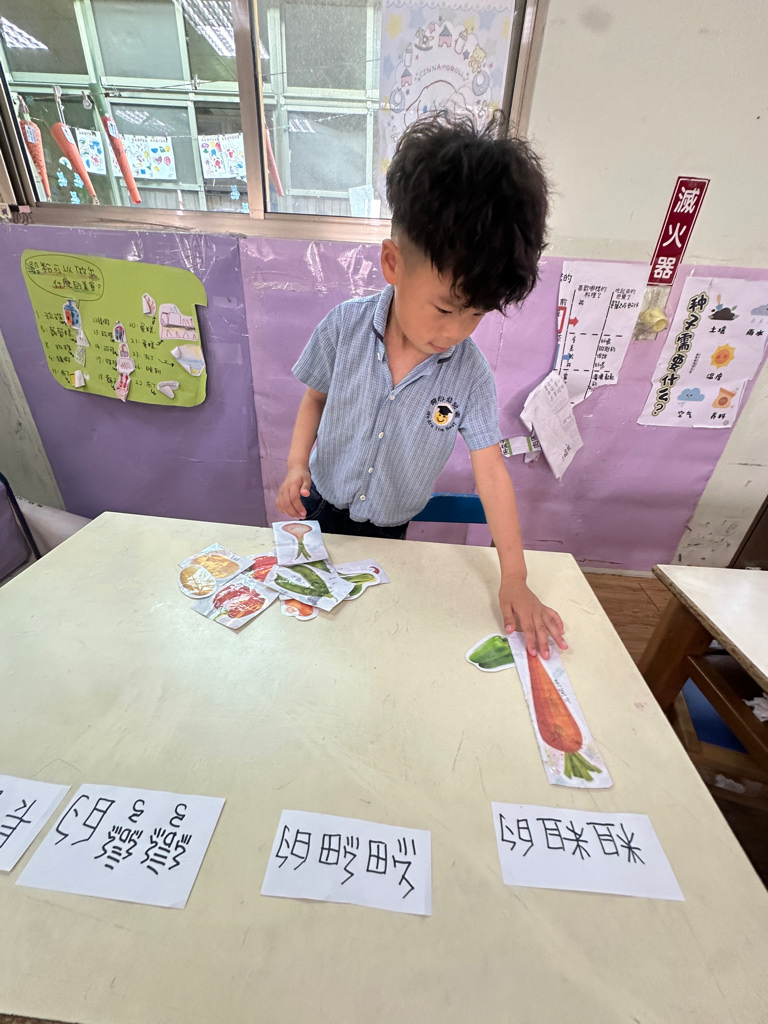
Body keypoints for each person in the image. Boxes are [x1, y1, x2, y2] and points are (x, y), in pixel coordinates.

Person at [276, 113, 566, 659]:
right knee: (311, 629)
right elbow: (314, 398)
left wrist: (515, 577)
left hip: (392, 528)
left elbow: (491, 472)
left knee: (370, 631)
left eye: (476, 314)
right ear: (393, 263)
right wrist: (295, 465)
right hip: (322, 507)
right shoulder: (343, 328)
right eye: (446, 308)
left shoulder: (469, 374)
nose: (455, 332)